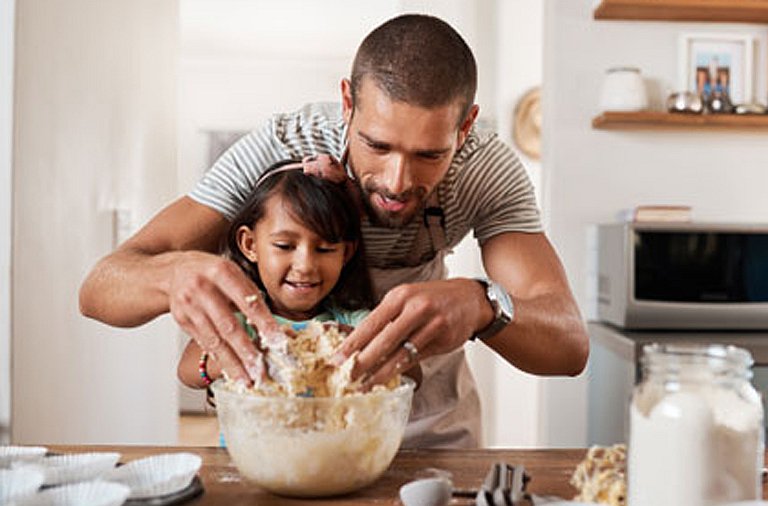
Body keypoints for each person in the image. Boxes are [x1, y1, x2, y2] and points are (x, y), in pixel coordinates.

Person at [79, 13, 589, 448]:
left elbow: (570, 345)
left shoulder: (486, 170)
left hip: (432, 438)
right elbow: (99, 289)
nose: (397, 182)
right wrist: (172, 276)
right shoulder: (281, 144)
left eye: (429, 155)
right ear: (347, 103)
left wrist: (484, 303)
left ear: (466, 126)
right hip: (287, 441)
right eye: (377, 145)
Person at [177, 159, 373, 389]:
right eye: (284, 246)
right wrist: (249, 353)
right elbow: (187, 370)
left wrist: (354, 342)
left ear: (346, 253)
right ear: (250, 244)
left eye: (324, 249)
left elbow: (413, 373)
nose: (305, 266)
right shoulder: (241, 321)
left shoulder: (352, 321)